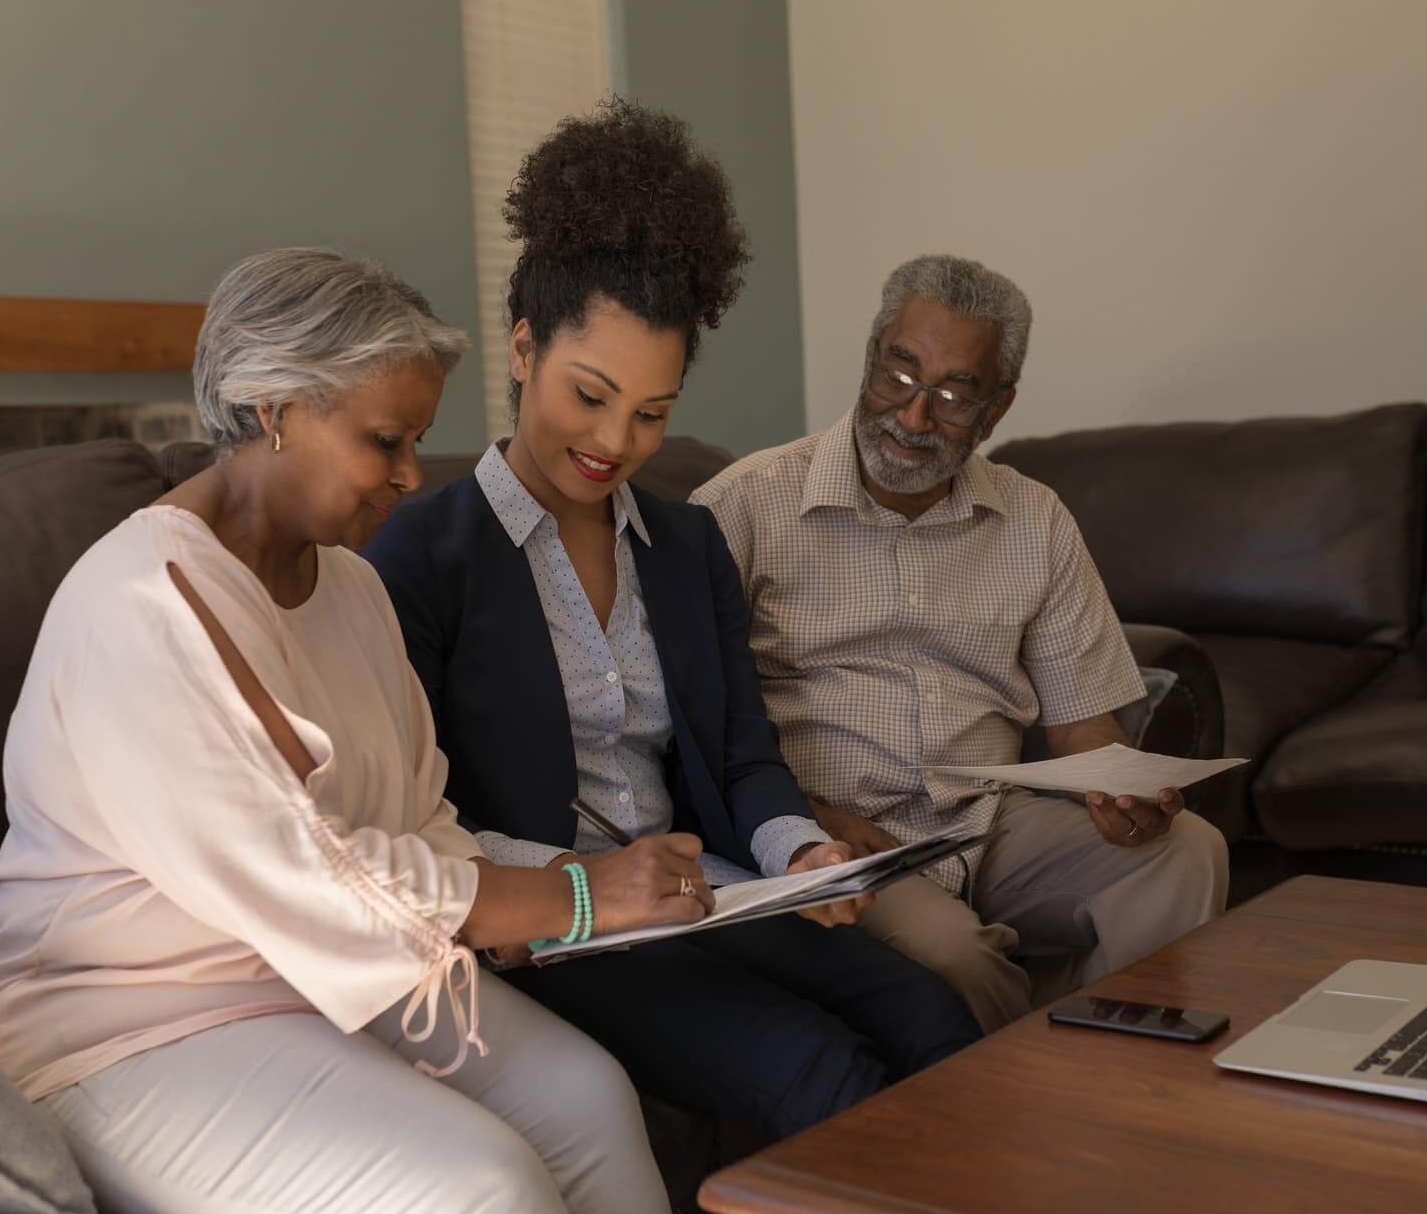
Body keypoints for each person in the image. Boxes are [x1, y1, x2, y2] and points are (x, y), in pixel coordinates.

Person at [0, 248, 705, 1214]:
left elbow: (418, 817)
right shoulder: (144, 605)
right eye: (384, 441)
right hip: (128, 1031)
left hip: (323, 983)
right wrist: (574, 893)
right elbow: (304, 874)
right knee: (479, 1197)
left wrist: (587, 890)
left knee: (584, 1095)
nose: (409, 474)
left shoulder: (349, 587)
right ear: (272, 409)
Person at [365, 101, 980, 1141]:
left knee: (932, 1013)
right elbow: (410, 821)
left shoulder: (686, 544)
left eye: (652, 412)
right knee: (816, 1069)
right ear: (521, 350)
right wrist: (588, 883)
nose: (616, 440)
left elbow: (742, 756)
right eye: (589, 395)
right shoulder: (421, 556)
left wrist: (794, 856)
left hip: (717, 891)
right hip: (568, 925)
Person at [694, 253, 1230, 1033]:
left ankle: (1114, 1084)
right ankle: (1021, 1110)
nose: (913, 416)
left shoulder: (1035, 519)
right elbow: (691, 727)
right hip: (841, 838)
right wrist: (801, 816)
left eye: (952, 395)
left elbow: (1085, 727)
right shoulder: (743, 507)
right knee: (954, 957)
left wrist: (1122, 788)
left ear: (997, 408)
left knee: (1188, 852)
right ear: (872, 355)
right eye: (898, 374)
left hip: (987, 821)